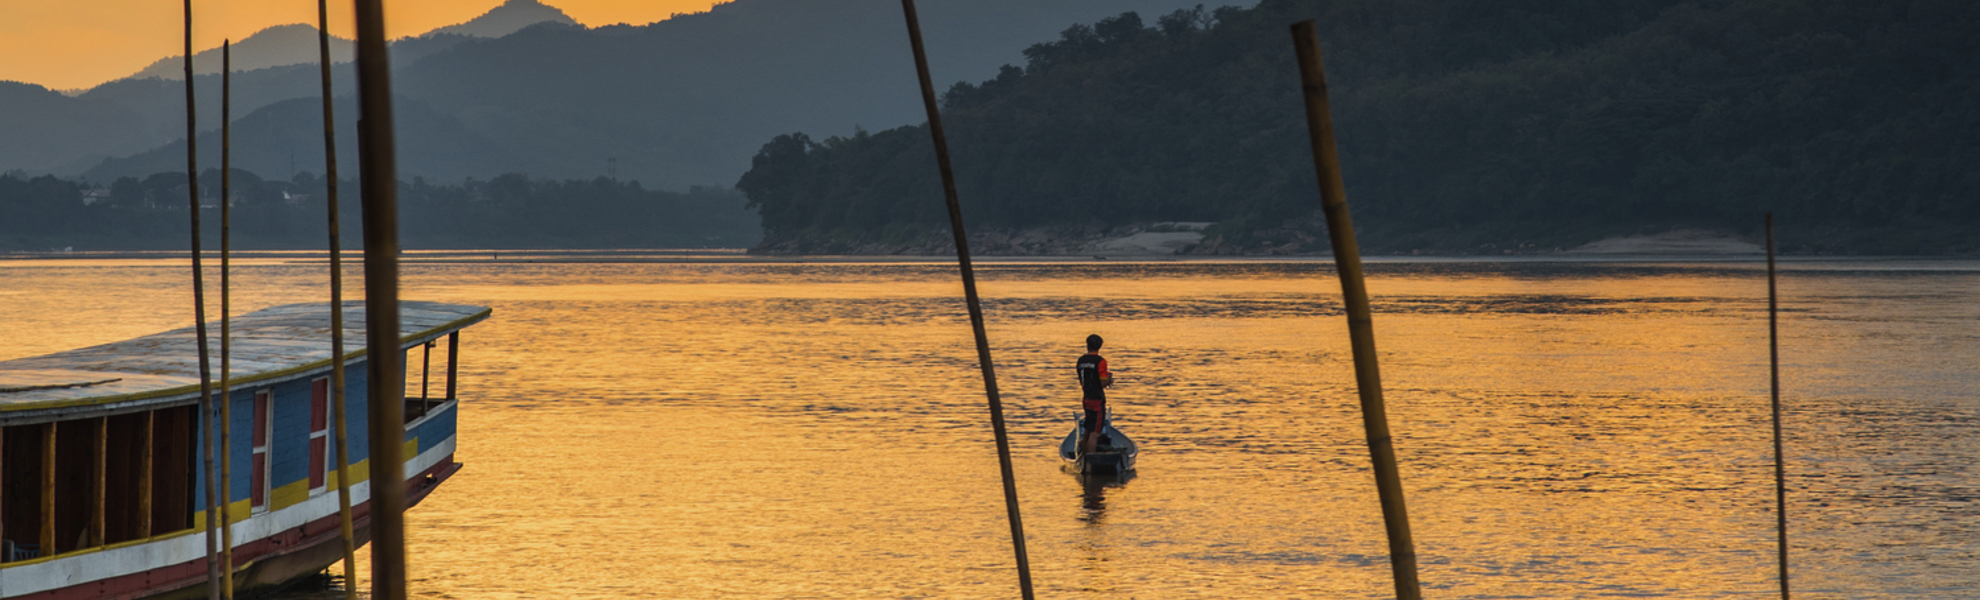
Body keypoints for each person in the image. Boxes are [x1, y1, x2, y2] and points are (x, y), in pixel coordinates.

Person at [1075, 333, 1113, 456]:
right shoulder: (1100, 361)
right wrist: (1109, 379)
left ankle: (1082, 456)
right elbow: (1102, 383)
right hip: (1097, 400)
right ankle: (1091, 459)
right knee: (1095, 433)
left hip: (1086, 399)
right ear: (1100, 346)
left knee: (1087, 429)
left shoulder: (1081, 360)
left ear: (1087, 345)